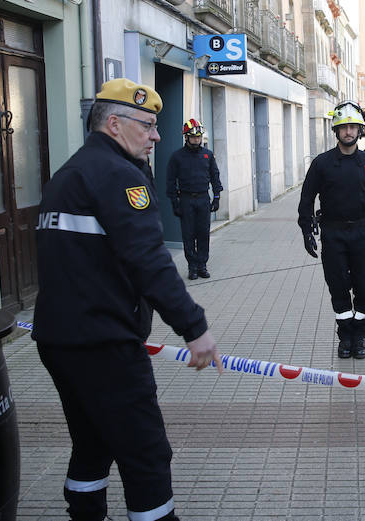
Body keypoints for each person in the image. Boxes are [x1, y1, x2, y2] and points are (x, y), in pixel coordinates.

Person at [33, 78, 223, 521]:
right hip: (104, 342)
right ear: (115, 125)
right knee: (146, 452)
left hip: (58, 338)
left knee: (92, 442)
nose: (157, 135)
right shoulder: (119, 176)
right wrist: (194, 328)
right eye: (149, 125)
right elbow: (150, 261)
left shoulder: (69, 173)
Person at [298, 100, 365, 359]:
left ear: (360, 130)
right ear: (336, 131)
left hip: (363, 234)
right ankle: (345, 337)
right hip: (333, 235)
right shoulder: (322, 163)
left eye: (353, 127)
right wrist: (307, 230)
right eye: (343, 127)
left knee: (364, 287)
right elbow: (306, 199)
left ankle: (361, 336)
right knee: (338, 287)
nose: (348, 132)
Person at [166, 118, 223, 280]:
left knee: (203, 234)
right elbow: (171, 181)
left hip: (203, 199)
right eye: (193, 137)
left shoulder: (208, 155)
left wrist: (217, 196)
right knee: (188, 235)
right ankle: (192, 267)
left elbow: (215, 176)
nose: (196, 140)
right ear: (186, 137)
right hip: (186, 200)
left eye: (198, 137)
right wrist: (174, 203)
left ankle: (202, 265)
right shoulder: (177, 157)